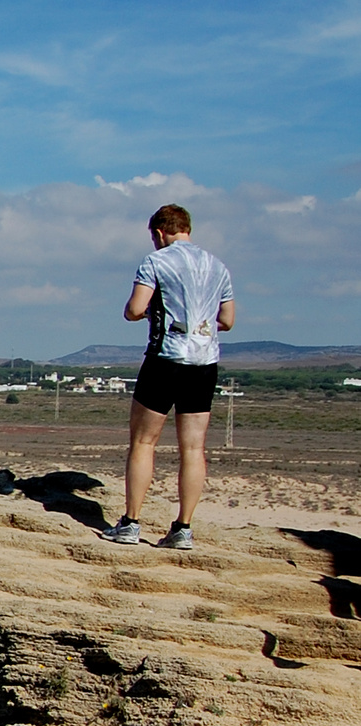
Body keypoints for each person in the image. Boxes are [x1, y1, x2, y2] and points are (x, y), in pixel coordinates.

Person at [102, 203, 235, 551]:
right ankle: (183, 529)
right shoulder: (217, 266)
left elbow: (133, 309)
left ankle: (130, 522)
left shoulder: (156, 262)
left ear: (160, 232)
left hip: (166, 357)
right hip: (204, 362)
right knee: (193, 448)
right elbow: (228, 319)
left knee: (144, 442)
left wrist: (154, 313)